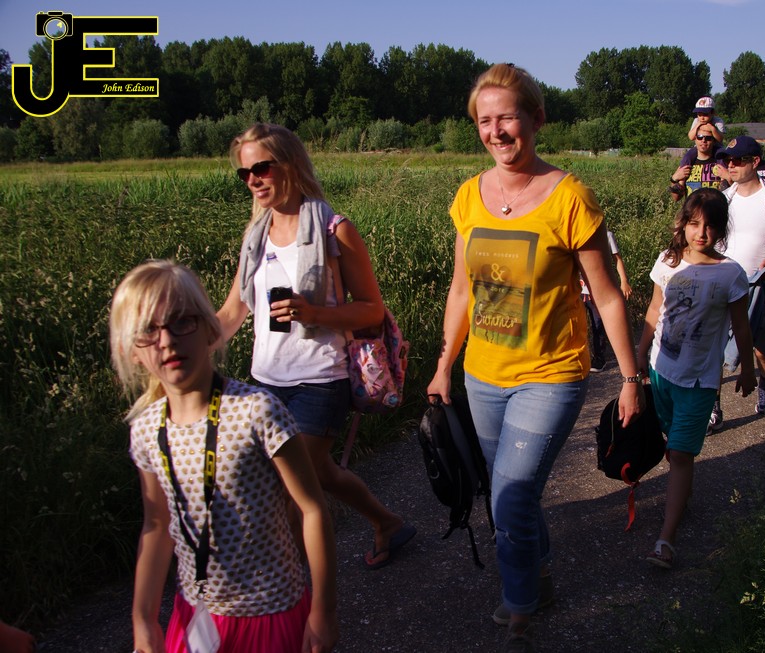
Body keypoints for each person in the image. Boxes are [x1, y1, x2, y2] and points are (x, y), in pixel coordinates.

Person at [426, 63, 644, 653]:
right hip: (482, 376)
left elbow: (606, 296)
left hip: (551, 374)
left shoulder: (570, 198)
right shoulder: (469, 197)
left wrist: (630, 377)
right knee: (510, 492)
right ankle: (539, 574)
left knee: (512, 495)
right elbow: (461, 291)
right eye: (485, 121)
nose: (496, 131)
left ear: (537, 119)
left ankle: (521, 607)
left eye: (508, 118)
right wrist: (444, 365)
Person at [109, 260, 338, 653]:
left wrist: (324, 610)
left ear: (210, 328)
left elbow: (312, 508)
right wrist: (143, 620)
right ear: (131, 351)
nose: (167, 340)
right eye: (149, 330)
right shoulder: (146, 431)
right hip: (195, 616)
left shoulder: (257, 412)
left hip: (271, 614)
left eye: (181, 321)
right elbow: (156, 524)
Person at [218, 123, 414, 572]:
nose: (253, 180)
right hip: (266, 383)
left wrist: (314, 313)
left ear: (290, 164)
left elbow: (371, 309)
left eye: (262, 168)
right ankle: (387, 523)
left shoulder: (334, 230)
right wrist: (180, 350)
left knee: (287, 489)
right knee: (320, 473)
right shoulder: (255, 236)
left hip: (320, 380)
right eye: (245, 173)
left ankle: (279, 587)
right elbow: (232, 312)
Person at [636, 188, 756, 568]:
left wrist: (748, 368)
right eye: (693, 223)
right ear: (683, 224)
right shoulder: (667, 261)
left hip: (700, 382)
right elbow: (655, 308)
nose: (701, 233)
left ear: (721, 229)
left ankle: (666, 539)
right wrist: (640, 353)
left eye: (710, 225)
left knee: (681, 454)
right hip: (661, 371)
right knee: (672, 447)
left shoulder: (731, 274)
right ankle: (681, 492)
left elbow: (741, 326)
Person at [708, 136, 765, 430]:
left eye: (737, 160)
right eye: (727, 160)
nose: (730, 165)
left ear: (755, 162)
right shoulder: (724, 198)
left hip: (760, 285)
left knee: (760, 348)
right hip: (724, 283)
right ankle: (714, 407)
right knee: (715, 348)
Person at [581, 229, 632, 372]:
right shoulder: (575, 232)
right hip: (578, 289)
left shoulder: (606, 235)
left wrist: (624, 281)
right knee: (578, 324)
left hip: (598, 291)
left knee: (597, 324)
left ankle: (599, 358)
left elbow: (617, 259)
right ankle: (579, 358)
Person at [669, 122, 728, 202]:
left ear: (714, 141)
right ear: (695, 139)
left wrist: (729, 178)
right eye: (700, 137)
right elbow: (676, 198)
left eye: (708, 138)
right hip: (691, 209)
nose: (703, 140)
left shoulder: (721, 165)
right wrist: (674, 179)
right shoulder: (687, 164)